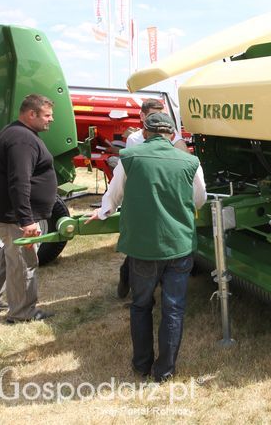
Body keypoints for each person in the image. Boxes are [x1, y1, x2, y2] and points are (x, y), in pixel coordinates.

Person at [86, 112, 206, 381]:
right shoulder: (190, 161)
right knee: (173, 308)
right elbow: (199, 199)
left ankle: (141, 365)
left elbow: (114, 195)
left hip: (142, 246)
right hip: (179, 243)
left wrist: (103, 211)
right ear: (171, 134)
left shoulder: (129, 157)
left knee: (141, 305)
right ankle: (165, 370)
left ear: (145, 132)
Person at [0, 94, 57, 323]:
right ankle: (22, 313)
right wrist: (26, 220)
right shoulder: (22, 140)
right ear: (32, 114)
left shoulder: (18, 132)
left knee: (12, 250)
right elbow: (19, 181)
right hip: (12, 215)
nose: (51, 119)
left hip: (5, 211)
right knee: (24, 260)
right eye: (47, 115)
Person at [116, 98, 189, 298]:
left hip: (164, 196)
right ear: (143, 117)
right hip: (143, 200)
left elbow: (182, 152)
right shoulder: (134, 140)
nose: (158, 119)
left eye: (161, 114)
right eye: (153, 115)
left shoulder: (170, 134)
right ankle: (127, 278)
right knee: (140, 249)